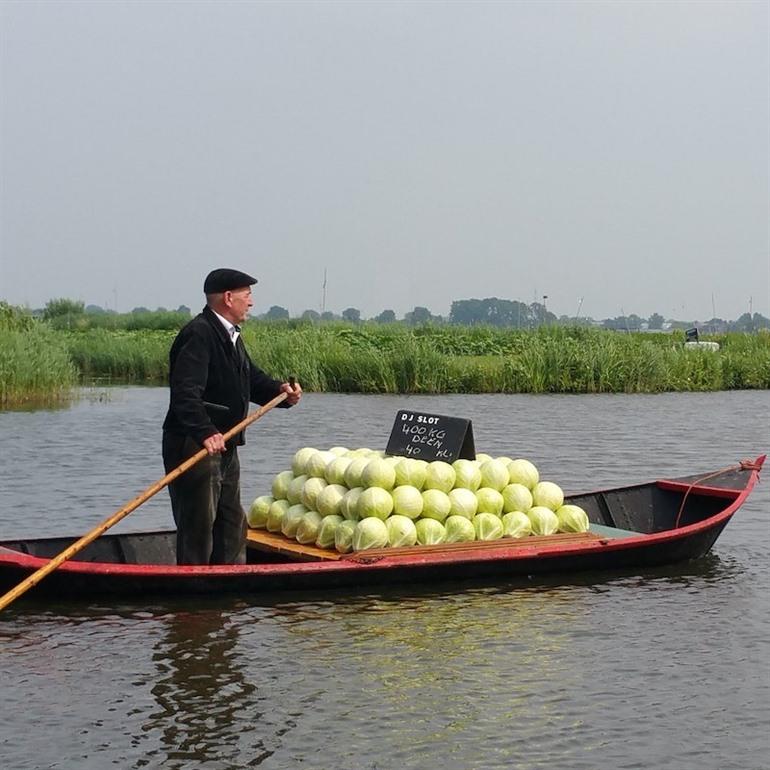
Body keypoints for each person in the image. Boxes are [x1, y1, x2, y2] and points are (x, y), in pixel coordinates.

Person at [162, 268, 302, 565]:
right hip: (196, 444)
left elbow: (251, 381)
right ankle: (193, 596)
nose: (251, 302)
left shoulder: (230, 335)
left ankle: (228, 589)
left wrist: (282, 392)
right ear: (228, 298)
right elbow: (185, 393)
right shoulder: (199, 334)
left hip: (225, 444)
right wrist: (205, 432)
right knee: (199, 524)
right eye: (247, 295)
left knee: (232, 522)